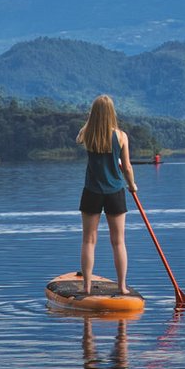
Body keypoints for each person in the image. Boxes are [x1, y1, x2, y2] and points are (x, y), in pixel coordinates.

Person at [76, 94, 138, 297]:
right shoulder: (121, 136)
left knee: (88, 240)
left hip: (92, 192)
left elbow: (82, 136)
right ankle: (121, 287)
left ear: (93, 114)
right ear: (112, 113)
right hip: (115, 192)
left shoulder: (86, 133)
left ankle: (86, 286)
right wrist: (132, 185)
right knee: (118, 241)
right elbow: (127, 167)